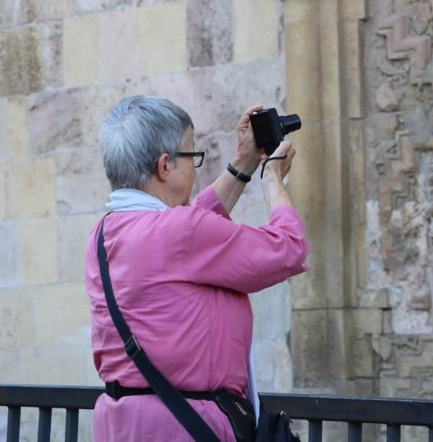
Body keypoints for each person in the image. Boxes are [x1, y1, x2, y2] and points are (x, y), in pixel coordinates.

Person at [85, 95, 311, 441]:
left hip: (122, 423)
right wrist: (273, 180)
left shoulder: (104, 234)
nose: (195, 166)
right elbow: (288, 249)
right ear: (165, 166)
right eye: (192, 155)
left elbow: (191, 230)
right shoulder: (180, 232)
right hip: (184, 426)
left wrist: (243, 165)